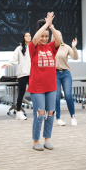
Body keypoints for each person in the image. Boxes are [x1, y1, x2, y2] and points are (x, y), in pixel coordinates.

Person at [27, 12, 62, 151]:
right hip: (37, 87)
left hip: (51, 86)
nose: (44, 38)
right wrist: (45, 25)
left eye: (46, 36)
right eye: (43, 36)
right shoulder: (33, 47)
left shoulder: (51, 47)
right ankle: (36, 141)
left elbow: (59, 38)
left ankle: (47, 139)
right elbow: (35, 37)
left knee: (50, 113)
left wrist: (51, 26)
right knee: (40, 113)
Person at [1, 32, 31, 120]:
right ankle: (18, 112)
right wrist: (7, 64)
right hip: (22, 74)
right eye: (26, 36)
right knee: (21, 93)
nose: (28, 37)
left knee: (35, 93)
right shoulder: (19, 48)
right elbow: (13, 60)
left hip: (32, 74)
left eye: (29, 36)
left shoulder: (34, 47)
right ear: (23, 38)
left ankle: (37, 111)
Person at [52, 33, 78, 126]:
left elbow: (75, 57)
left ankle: (73, 117)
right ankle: (58, 118)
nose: (58, 36)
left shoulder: (66, 47)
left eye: (60, 35)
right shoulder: (50, 47)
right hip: (55, 74)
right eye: (56, 35)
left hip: (66, 73)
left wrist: (74, 47)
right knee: (57, 96)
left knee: (68, 95)